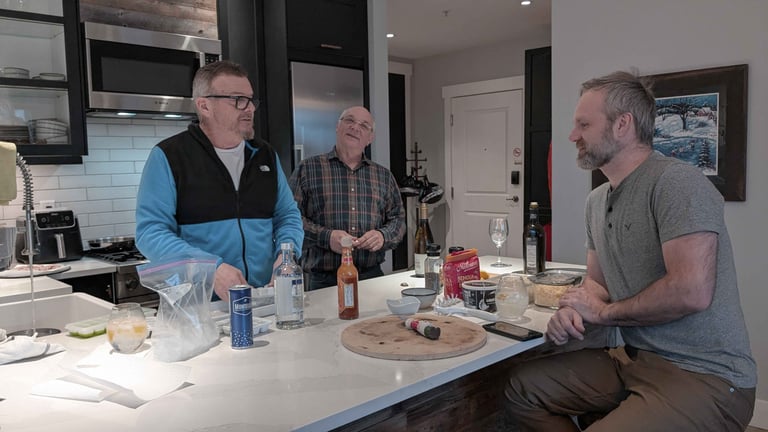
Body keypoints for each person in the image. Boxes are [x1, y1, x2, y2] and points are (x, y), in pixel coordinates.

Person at [504, 71, 756, 431]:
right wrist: (575, 307)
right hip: (634, 359)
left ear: (623, 125)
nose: (573, 135)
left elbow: (691, 291)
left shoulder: (677, 183)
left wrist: (604, 314)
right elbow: (597, 283)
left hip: (707, 375)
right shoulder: (596, 201)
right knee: (522, 389)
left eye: (584, 124)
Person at [135, 60, 303, 301]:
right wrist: (210, 268)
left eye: (251, 100)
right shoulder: (168, 156)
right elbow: (150, 233)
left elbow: (287, 215)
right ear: (204, 106)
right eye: (238, 100)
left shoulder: (265, 155)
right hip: (200, 309)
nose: (250, 109)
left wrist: (286, 256)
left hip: (264, 298)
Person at [289, 106, 406, 290]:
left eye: (364, 125)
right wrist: (327, 238)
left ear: (370, 138)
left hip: (371, 277)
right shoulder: (308, 169)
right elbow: (291, 220)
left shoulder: (383, 176)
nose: (355, 127)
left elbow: (398, 221)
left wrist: (382, 236)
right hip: (324, 280)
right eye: (349, 120)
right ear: (338, 126)